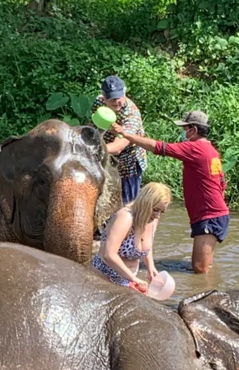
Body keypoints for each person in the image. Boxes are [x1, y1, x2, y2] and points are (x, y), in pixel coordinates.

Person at [111, 111, 229, 274]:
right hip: (212, 214)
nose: (183, 133)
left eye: (185, 128)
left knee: (200, 269)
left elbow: (158, 147)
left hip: (209, 216)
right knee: (205, 266)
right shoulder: (211, 151)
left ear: (193, 129)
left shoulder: (196, 148)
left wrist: (126, 135)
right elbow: (222, 184)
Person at [91, 182, 172, 292]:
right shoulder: (126, 218)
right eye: (156, 210)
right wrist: (133, 278)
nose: (157, 215)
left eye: (162, 211)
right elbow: (109, 254)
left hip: (130, 279)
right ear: (145, 203)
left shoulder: (152, 219)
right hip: (104, 277)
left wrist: (150, 267)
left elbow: (147, 244)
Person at [91, 75, 147, 204]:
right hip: (104, 154)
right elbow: (93, 124)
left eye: (118, 97)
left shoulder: (131, 114)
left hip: (128, 162)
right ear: (103, 97)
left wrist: (91, 150)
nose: (116, 102)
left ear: (124, 93)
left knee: (128, 205)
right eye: (111, 98)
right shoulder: (99, 103)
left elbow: (118, 147)